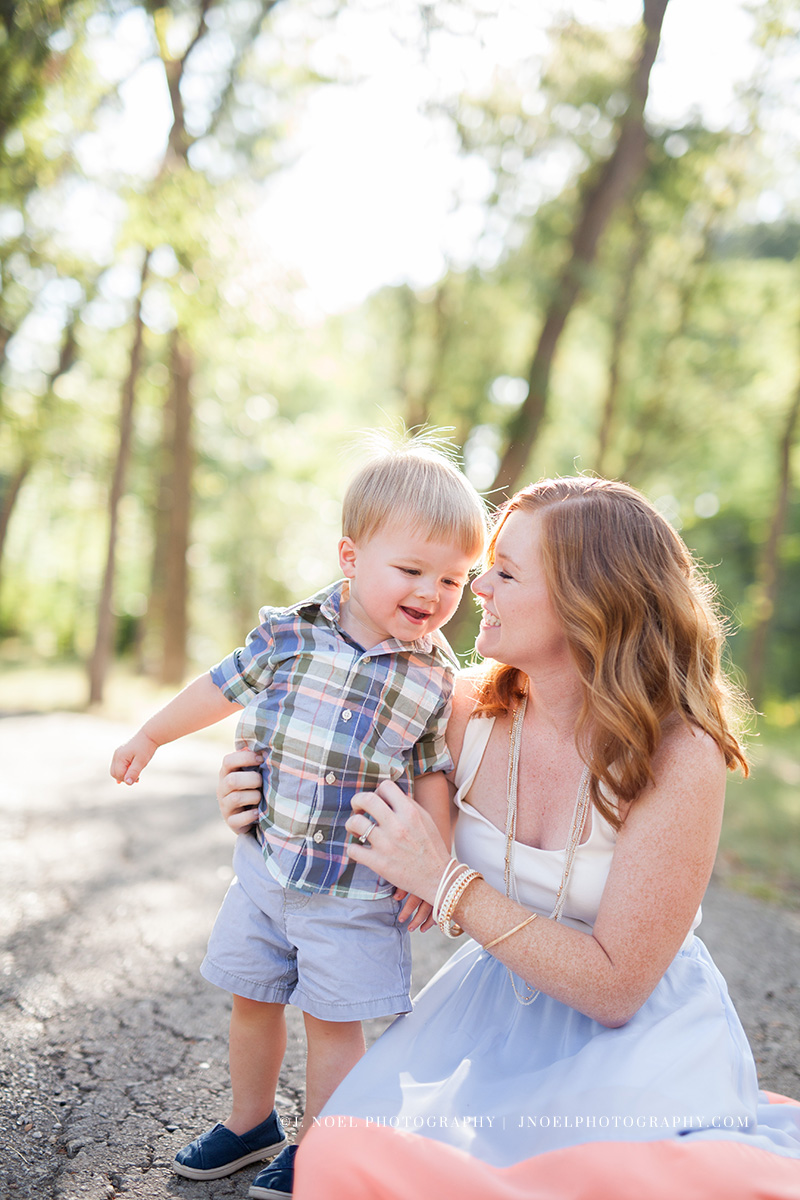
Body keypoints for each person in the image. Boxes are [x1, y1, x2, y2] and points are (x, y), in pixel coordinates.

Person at [219, 476, 800, 1199]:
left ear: (591, 601)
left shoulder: (679, 753)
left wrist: (448, 882)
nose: (477, 586)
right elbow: (322, 769)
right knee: (344, 1162)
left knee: (607, 1179)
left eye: (506, 571)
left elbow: (617, 987)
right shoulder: (459, 711)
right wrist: (250, 790)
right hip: (483, 1018)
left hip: (639, 1037)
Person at [110, 431, 487, 1199]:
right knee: (251, 1000)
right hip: (265, 871)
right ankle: (251, 1123)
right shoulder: (291, 633)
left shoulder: (432, 678)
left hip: (353, 896)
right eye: (411, 569)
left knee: (332, 1026)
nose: (432, 593)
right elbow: (220, 685)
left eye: (454, 579)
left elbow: (434, 779)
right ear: (351, 559)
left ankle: (320, 1150)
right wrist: (151, 732)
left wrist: (435, 866)